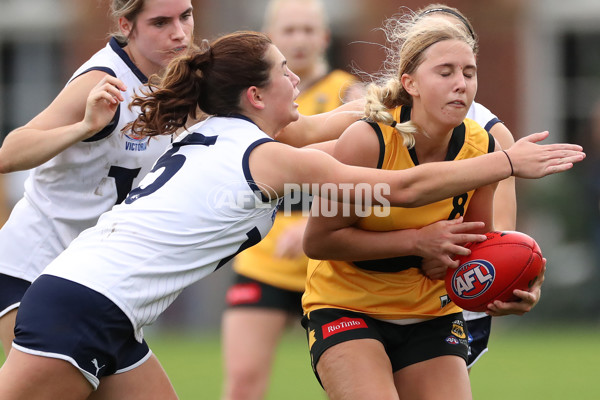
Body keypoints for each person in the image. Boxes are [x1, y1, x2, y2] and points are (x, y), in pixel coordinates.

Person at [0, 30, 584, 399]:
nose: (297, 76)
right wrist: (508, 161)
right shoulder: (266, 156)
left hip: (104, 310)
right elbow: (401, 187)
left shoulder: (228, 139)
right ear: (256, 96)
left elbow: (359, 165)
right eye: (283, 70)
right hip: (81, 306)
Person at [299, 14, 555, 400]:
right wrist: (417, 241)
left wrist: (514, 283)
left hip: (431, 312)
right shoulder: (368, 140)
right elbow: (319, 241)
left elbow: (475, 246)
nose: (461, 84)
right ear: (410, 83)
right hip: (345, 306)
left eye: (469, 73)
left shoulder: (482, 146)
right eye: (446, 72)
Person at [0, 0, 194, 359]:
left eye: (185, 16)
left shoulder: (181, 82)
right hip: (32, 270)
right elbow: (10, 152)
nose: (179, 33)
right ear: (126, 25)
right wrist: (85, 127)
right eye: (160, 22)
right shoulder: (103, 80)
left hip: (93, 281)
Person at [221, 2, 361, 399]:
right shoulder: (253, 97)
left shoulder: (349, 91)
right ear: (271, 41)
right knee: (243, 383)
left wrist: (310, 222)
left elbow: (374, 171)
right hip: (265, 260)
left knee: (346, 384)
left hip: (332, 262)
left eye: (308, 30)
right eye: (289, 31)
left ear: (325, 38)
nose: (299, 39)